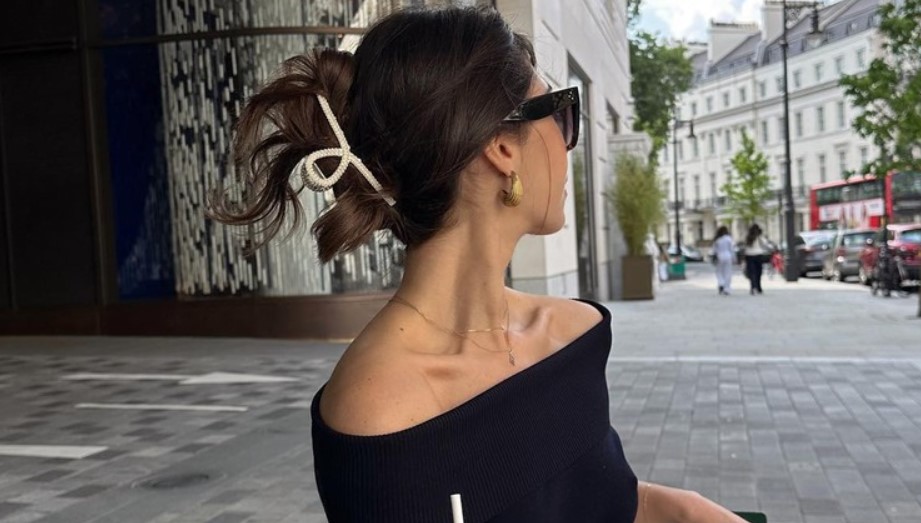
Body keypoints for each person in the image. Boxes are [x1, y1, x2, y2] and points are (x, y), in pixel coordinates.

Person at [209, 6, 748, 522]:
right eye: (561, 114)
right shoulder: (380, 407)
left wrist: (680, 508)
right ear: (501, 147)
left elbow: (609, 504)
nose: (567, 145)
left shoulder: (574, 333)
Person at [743, 224, 767, 295]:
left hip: (749, 255)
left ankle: (753, 287)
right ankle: (759, 287)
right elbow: (765, 243)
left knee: (752, 272)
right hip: (758, 255)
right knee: (758, 272)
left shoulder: (748, 237)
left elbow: (745, 246)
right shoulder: (759, 237)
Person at [712, 226, 735, 295]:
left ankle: (721, 283)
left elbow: (714, 250)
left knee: (719, 272)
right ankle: (727, 288)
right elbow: (732, 249)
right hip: (728, 256)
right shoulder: (729, 239)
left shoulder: (717, 239)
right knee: (727, 272)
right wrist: (734, 258)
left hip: (719, 256)